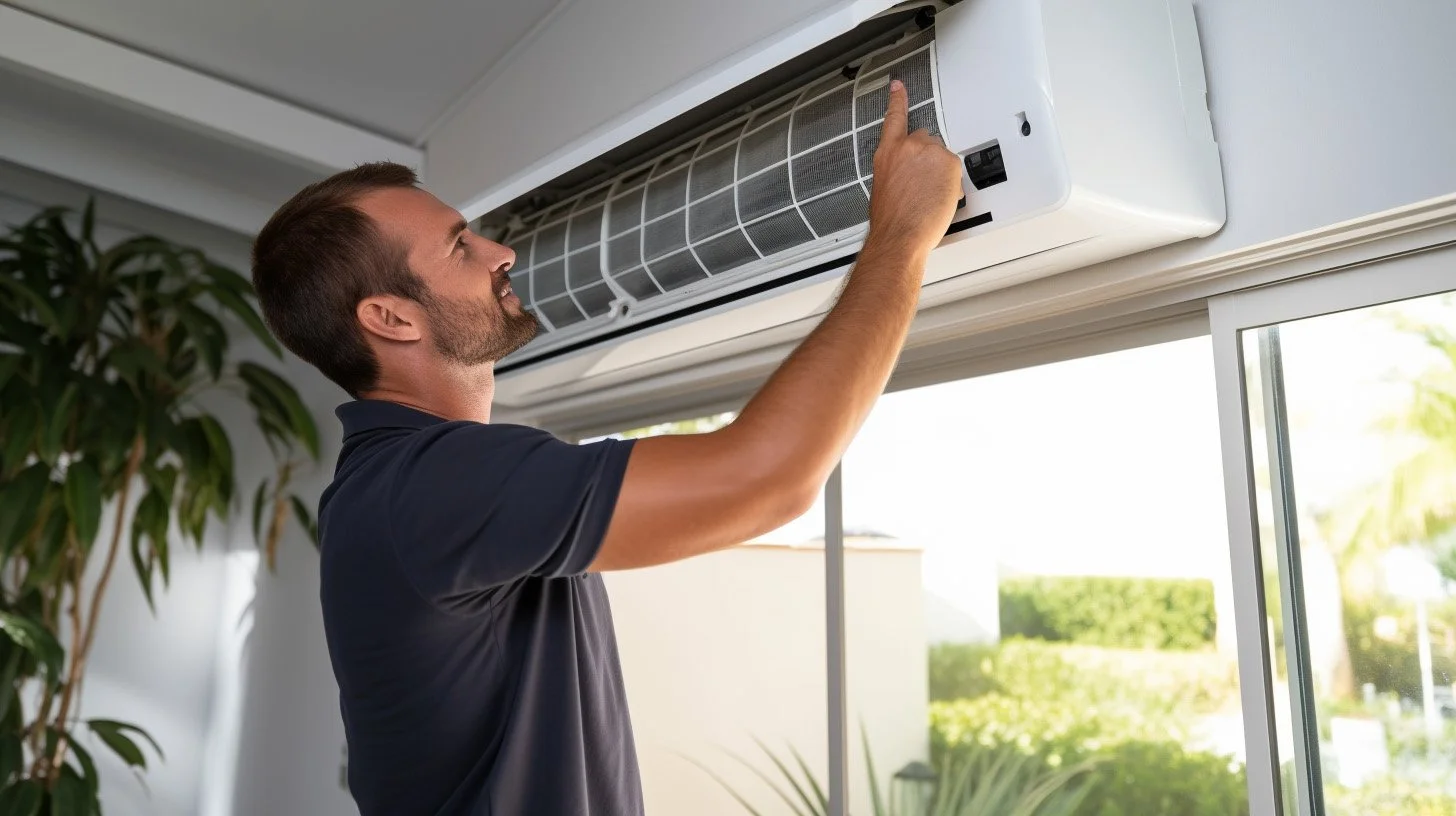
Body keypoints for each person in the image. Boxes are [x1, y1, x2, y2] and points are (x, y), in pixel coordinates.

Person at [250, 79, 963, 816]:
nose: (503, 251)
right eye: (460, 245)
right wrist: (899, 237)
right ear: (392, 318)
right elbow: (767, 478)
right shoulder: (431, 483)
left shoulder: (399, 485)